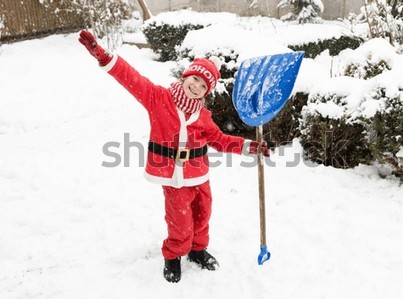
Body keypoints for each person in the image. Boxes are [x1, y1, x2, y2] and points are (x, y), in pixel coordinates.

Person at [78, 30, 270, 283]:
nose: (197, 87)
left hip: (199, 174)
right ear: (185, 76)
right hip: (174, 176)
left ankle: (197, 250)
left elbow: (220, 140)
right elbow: (131, 78)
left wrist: (249, 146)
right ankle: (173, 255)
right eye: (195, 79)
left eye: (204, 86)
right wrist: (103, 57)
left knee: (203, 216)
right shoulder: (159, 99)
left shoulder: (203, 116)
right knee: (180, 222)